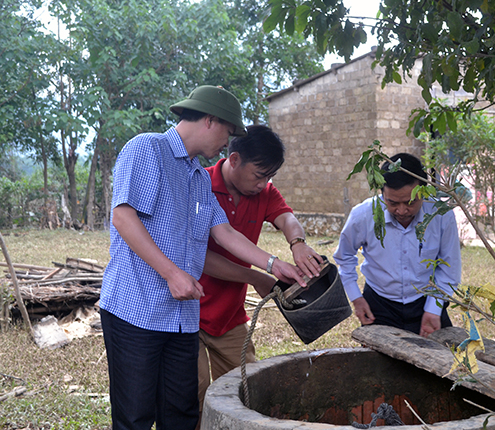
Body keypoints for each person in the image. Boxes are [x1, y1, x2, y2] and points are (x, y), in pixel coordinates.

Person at [100, 85, 311, 430]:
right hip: (137, 311)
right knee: (136, 415)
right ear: (211, 120)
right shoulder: (147, 149)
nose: (227, 145)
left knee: (182, 414)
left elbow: (224, 233)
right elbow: (123, 217)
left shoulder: (198, 177)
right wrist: (171, 273)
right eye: (228, 133)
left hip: (182, 318)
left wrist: (274, 264)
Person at [197, 124, 323, 413]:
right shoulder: (200, 184)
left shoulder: (264, 192)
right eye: (259, 175)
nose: (263, 183)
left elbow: (287, 218)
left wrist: (298, 243)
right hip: (187, 313)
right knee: (195, 393)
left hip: (229, 316)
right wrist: (255, 275)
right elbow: (198, 257)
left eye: (270, 176)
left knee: (247, 390)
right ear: (235, 159)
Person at [333, 152, 461, 338]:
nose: (401, 211)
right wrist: (356, 298)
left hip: (425, 300)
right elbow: (344, 257)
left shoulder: (441, 215)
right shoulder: (363, 215)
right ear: (382, 192)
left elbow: (450, 267)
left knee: (441, 359)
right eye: (392, 202)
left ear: (423, 192)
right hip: (378, 303)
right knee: (380, 364)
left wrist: (434, 308)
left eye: (410, 202)